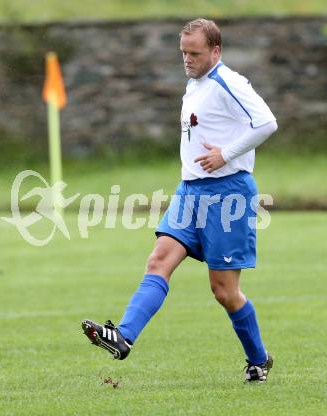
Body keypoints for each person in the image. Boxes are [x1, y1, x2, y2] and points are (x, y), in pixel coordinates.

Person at [81, 18, 278, 383]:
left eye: (195, 53)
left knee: (224, 292)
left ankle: (257, 359)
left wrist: (226, 154)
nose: (187, 59)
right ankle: (123, 337)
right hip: (189, 192)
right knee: (158, 261)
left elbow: (267, 123)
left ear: (215, 51)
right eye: (183, 52)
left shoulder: (227, 82)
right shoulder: (195, 83)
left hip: (227, 194)